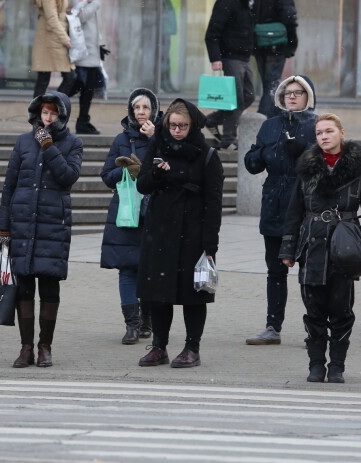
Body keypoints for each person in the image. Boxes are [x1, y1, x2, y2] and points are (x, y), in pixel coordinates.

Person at [279, 113, 361, 383]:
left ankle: (337, 365)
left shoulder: (360, 167)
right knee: (314, 309)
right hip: (312, 243)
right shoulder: (307, 166)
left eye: (329, 131)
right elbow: (294, 210)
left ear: (341, 132)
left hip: (345, 245)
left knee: (341, 309)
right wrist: (287, 249)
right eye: (319, 133)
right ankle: (316, 365)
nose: (324, 136)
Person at [0, 91, 83, 368]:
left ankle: (45, 346)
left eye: (53, 113)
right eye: (44, 113)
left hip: (52, 226)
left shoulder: (73, 143)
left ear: (62, 115)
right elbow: (9, 185)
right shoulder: (23, 142)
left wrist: (49, 147)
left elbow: (68, 177)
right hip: (22, 224)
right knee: (23, 289)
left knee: (49, 288)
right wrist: (4, 225)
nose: (47, 118)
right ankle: (25, 348)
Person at [136, 99, 223, 368]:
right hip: (160, 230)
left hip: (193, 233)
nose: (176, 131)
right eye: (173, 125)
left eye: (182, 126)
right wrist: (158, 175)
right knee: (158, 292)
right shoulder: (158, 145)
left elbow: (214, 202)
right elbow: (142, 185)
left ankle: (191, 348)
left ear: (192, 125)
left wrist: (210, 244)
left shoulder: (207, 155)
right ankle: (159, 346)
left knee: (193, 294)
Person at [243, 75, 317, 345]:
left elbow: (326, 161)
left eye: (298, 92)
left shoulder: (317, 124)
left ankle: (315, 327)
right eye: (288, 92)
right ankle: (272, 327)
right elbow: (252, 164)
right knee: (275, 270)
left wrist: (304, 150)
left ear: (308, 96)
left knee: (308, 271)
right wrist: (261, 153)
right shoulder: (270, 125)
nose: (292, 96)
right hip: (274, 204)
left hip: (305, 206)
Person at [100, 88, 161, 345]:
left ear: (154, 112)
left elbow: (173, 169)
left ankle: (147, 321)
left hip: (154, 212)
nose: (140, 112)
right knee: (127, 270)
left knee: (150, 269)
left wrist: (157, 140)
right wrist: (123, 169)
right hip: (126, 211)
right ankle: (132, 325)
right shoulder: (121, 139)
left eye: (145, 108)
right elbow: (106, 176)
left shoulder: (164, 136)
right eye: (136, 108)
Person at [204, 0, 256, 150]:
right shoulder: (226, 0)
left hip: (244, 57)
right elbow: (212, 33)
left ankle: (212, 120)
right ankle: (229, 139)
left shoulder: (248, 1)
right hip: (230, 57)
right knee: (235, 100)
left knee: (249, 96)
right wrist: (216, 58)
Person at [252, 0, 299, 119]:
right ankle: (263, 119)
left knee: (268, 85)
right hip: (277, 45)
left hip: (259, 43)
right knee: (271, 86)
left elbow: (250, 15)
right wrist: (292, 42)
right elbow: (288, 17)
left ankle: (272, 119)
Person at [65, 0, 103, 134]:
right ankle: (52, 108)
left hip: (92, 51)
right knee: (75, 85)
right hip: (81, 50)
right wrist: (95, 3)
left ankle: (83, 121)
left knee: (89, 88)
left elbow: (94, 25)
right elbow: (79, 16)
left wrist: (100, 44)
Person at [32, 0, 76, 99]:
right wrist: (65, 39)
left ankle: (51, 107)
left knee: (68, 77)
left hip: (56, 37)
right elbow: (51, 18)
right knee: (45, 78)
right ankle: (40, 112)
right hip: (50, 38)